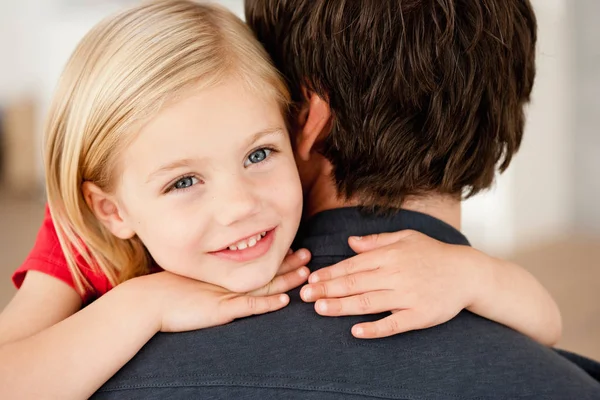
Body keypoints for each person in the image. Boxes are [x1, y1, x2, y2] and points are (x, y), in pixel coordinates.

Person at [0, 1, 588, 399]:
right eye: (183, 182)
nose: (237, 207)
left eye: (259, 154)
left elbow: (549, 323)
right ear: (112, 210)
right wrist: (143, 304)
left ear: (300, 126)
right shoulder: (78, 246)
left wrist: (476, 277)